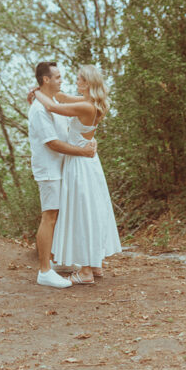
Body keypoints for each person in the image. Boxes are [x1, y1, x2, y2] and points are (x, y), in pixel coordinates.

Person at [34, 64, 121, 285]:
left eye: (79, 79)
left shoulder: (85, 106)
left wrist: (36, 92)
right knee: (92, 210)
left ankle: (85, 272)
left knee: (83, 213)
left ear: (88, 83)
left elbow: (54, 107)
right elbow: (61, 96)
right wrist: (48, 91)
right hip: (88, 163)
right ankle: (95, 264)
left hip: (80, 163)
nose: (75, 81)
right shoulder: (91, 104)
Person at [28, 61, 97, 288]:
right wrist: (83, 152)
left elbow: (65, 118)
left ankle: (52, 262)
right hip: (49, 169)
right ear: (46, 79)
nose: (62, 80)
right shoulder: (39, 109)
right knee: (49, 217)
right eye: (57, 77)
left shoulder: (52, 102)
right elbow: (53, 144)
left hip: (60, 168)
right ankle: (44, 271)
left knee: (57, 216)